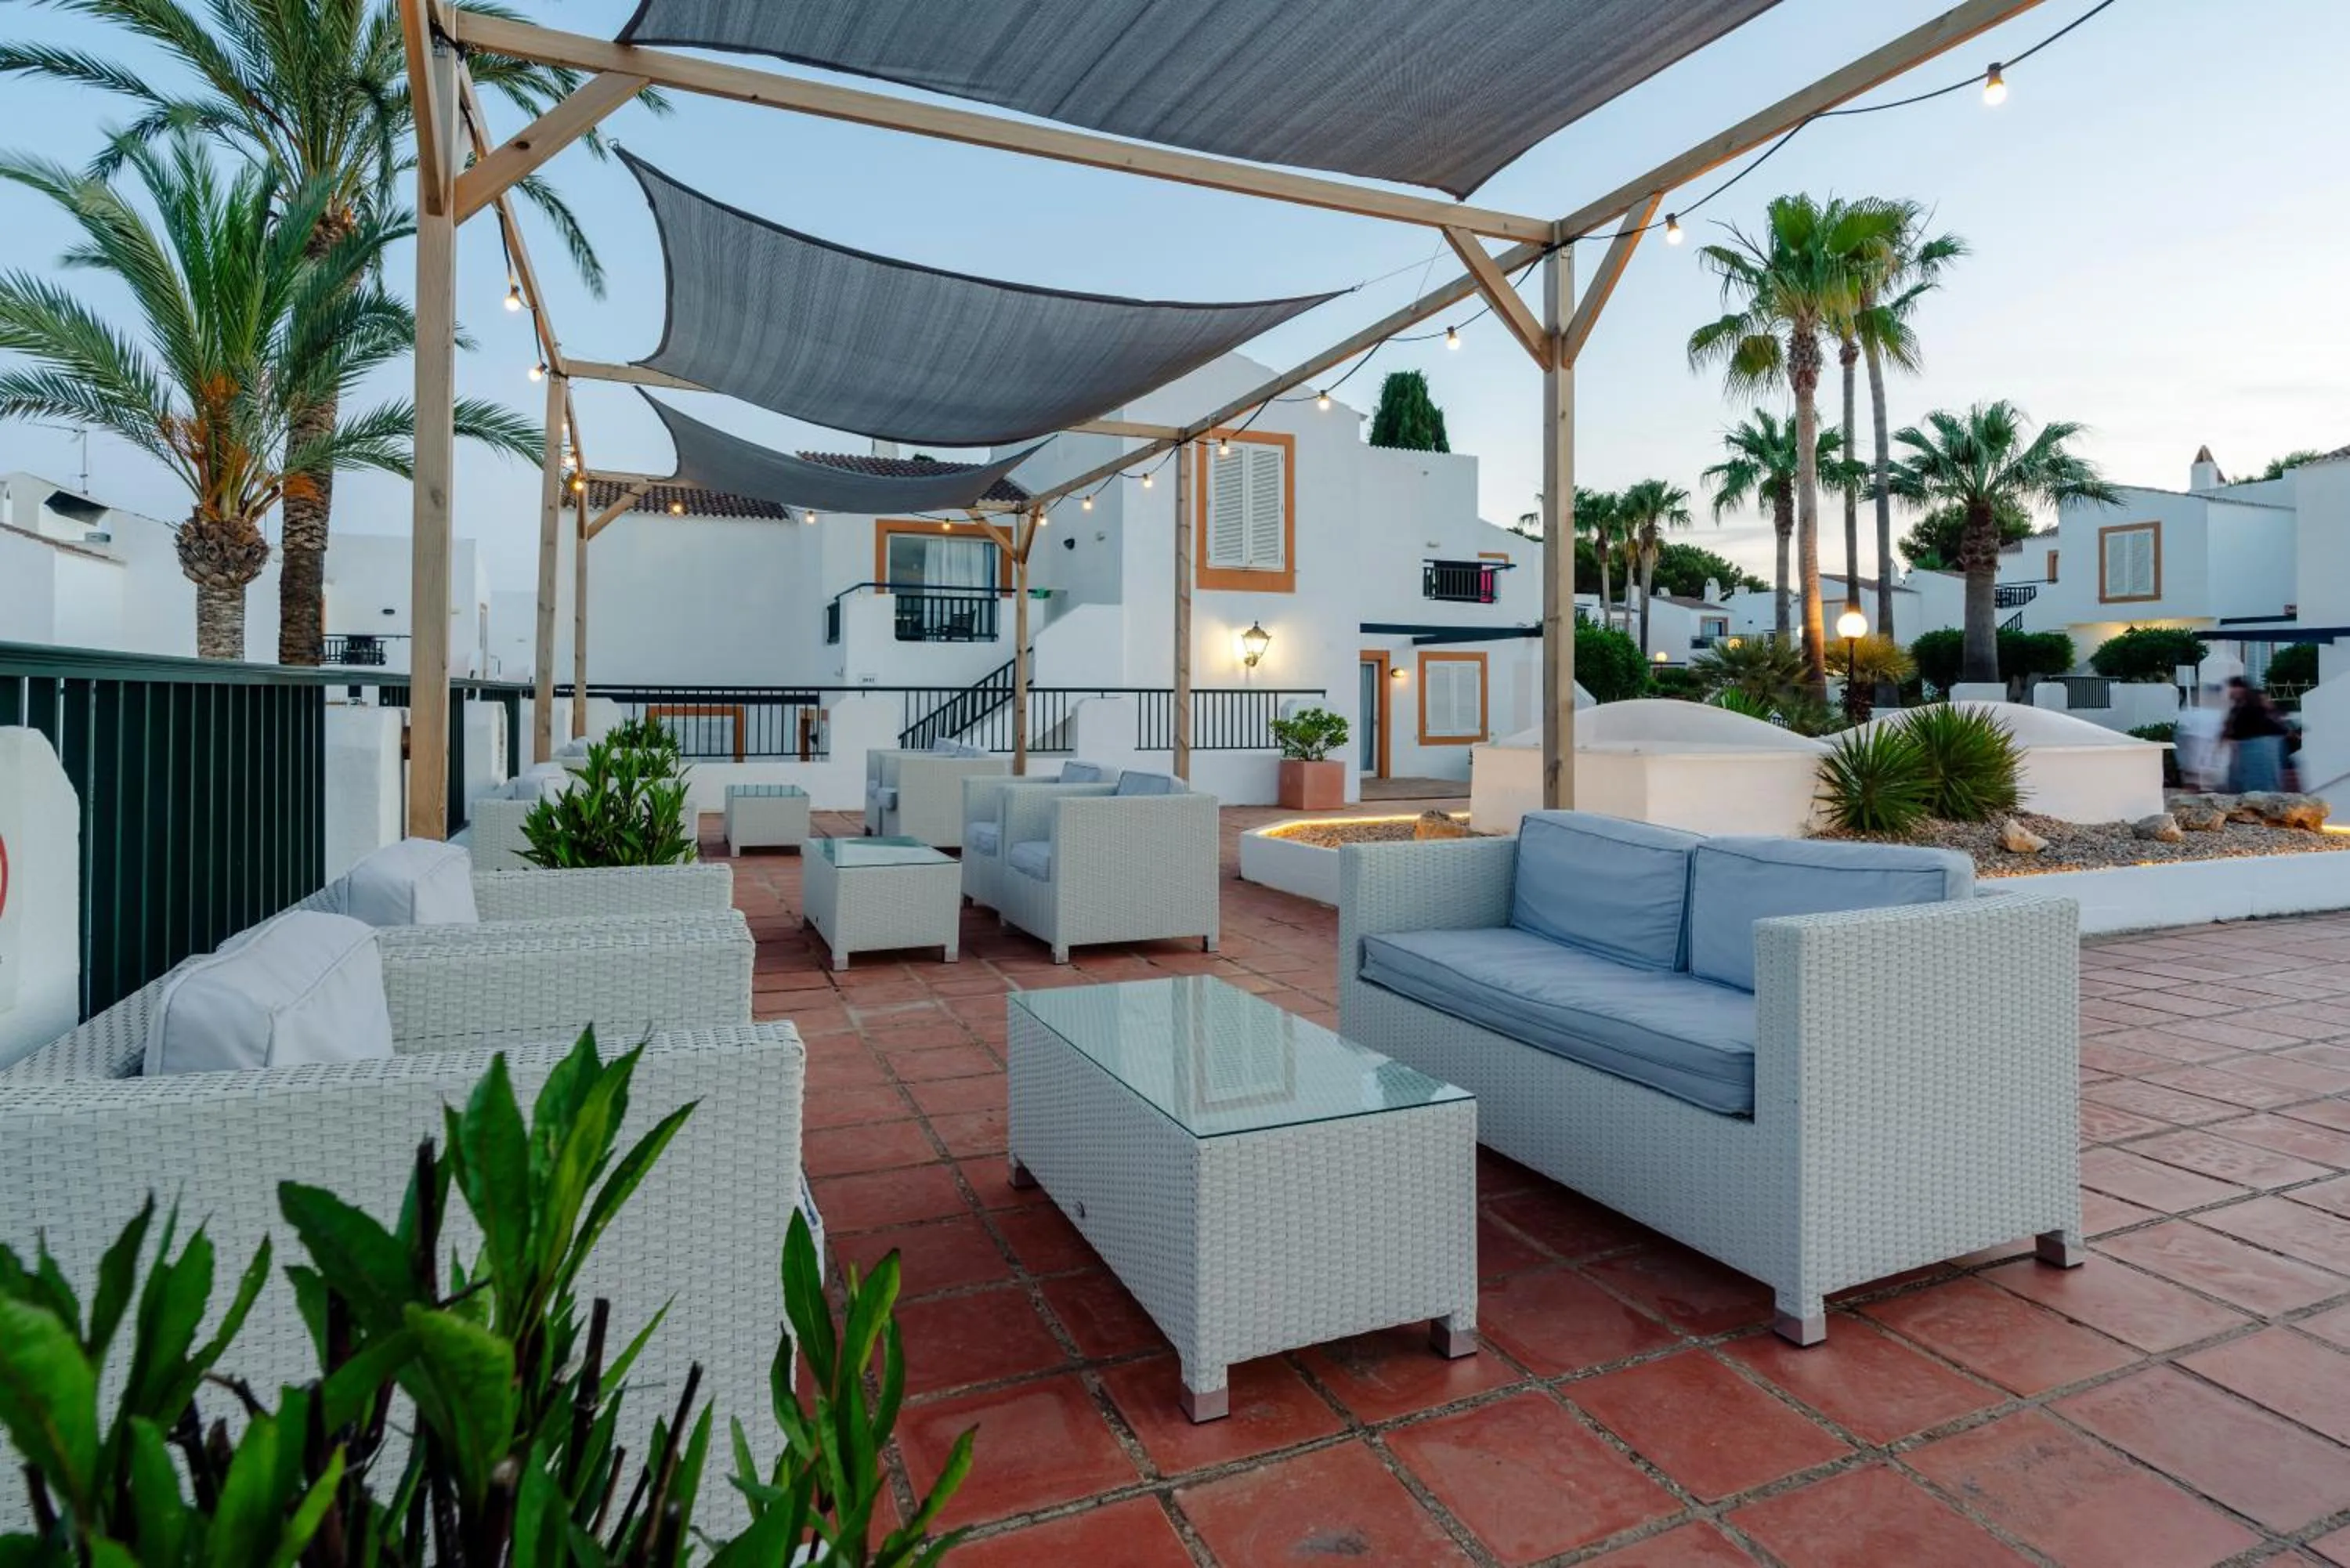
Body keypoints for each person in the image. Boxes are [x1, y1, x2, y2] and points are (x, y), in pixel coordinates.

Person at [2224, 677, 2288, 793]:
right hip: (2248, 748)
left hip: (2262, 746)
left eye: (2235, 687)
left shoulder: (2256, 699)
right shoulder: (2236, 709)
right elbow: (2230, 731)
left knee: (2262, 784)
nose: (2231, 691)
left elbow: (2272, 715)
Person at [2174, 684, 2226, 790]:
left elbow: (2182, 738)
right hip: (2211, 766)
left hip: (2190, 766)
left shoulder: (2187, 714)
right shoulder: (2218, 715)